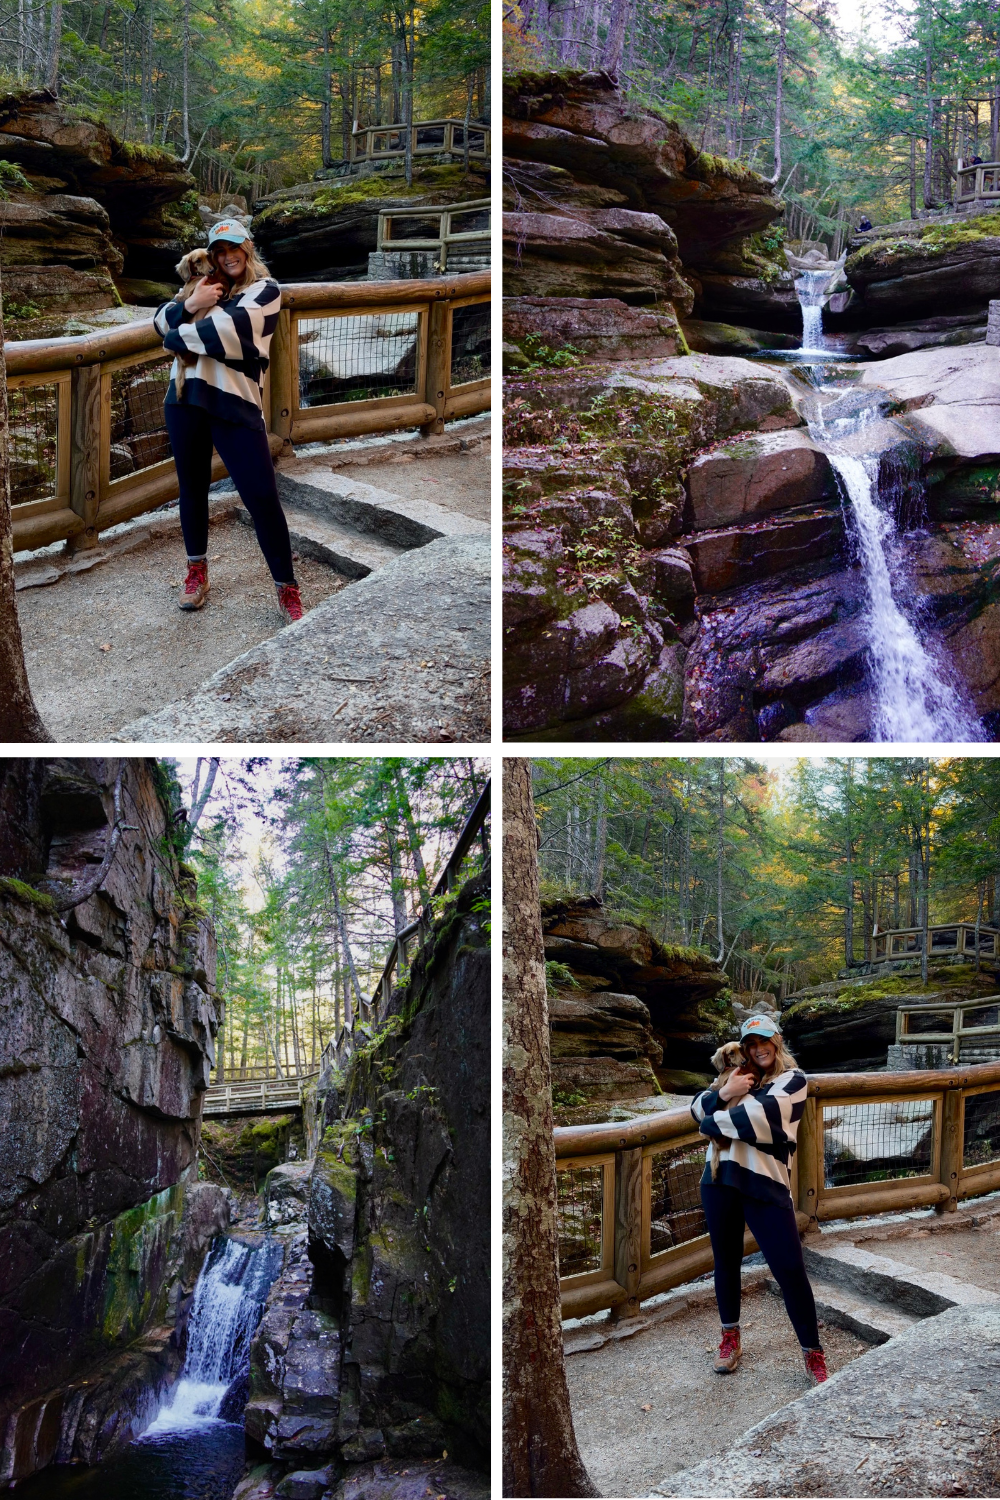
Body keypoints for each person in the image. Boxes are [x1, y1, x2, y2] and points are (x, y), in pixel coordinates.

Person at [153, 221, 303, 622]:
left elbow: (230, 332)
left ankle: (287, 588)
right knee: (192, 490)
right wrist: (187, 306)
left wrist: (178, 329)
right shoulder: (202, 288)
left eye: (233, 247)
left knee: (261, 497)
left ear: (248, 248)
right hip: (184, 399)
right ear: (211, 255)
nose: (226, 257)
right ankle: (196, 571)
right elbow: (159, 320)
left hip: (235, 402)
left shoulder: (265, 291)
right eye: (218, 251)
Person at [690, 1013, 828, 1386]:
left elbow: (760, 1119)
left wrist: (715, 1113)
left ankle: (812, 1353)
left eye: (764, 1040)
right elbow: (696, 1106)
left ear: (777, 1040)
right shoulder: (735, 1079)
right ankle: (729, 1337)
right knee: (726, 1263)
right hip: (719, 1179)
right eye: (750, 1044)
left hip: (766, 1183)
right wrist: (722, 1094)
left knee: (789, 1269)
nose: (757, 1048)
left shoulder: (792, 1080)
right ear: (743, 1048)